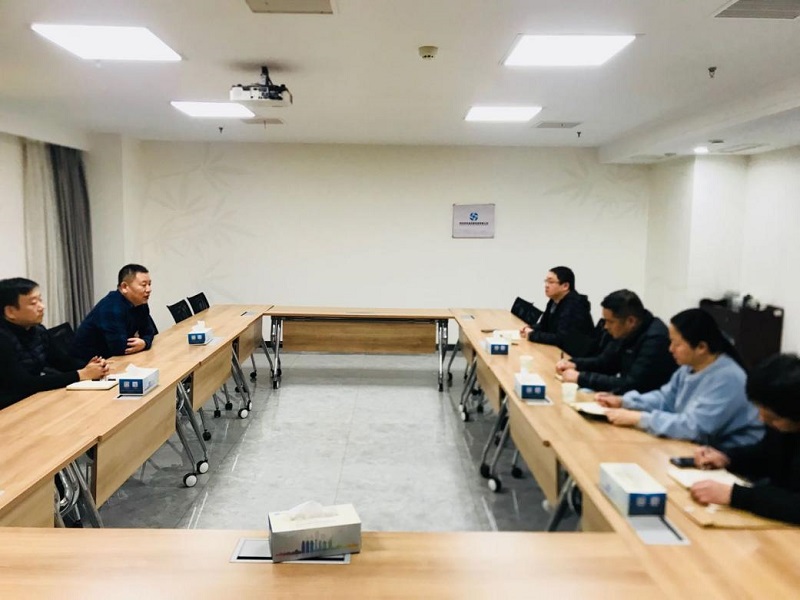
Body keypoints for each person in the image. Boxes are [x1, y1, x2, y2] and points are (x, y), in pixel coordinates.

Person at [595, 308, 764, 449]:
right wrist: (624, 402)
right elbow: (665, 399)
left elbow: (695, 427)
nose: (670, 349)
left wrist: (640, 419)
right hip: (697, 446)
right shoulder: (688, 368)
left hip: (731, 457)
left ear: (701, 347)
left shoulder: (728, 378)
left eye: (677, 344)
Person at [691, 353, 800, 525]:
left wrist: (735, 495)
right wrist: (727, 458)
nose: (761, 419)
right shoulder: (784, 426)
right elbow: (766, 455)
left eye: (773, 418)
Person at [0, 277, 108, 410]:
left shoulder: (38, 330)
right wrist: (81, 374)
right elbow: (23, 383)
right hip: (8, 408)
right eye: (33, 303)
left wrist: (91, 367)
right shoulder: (3, 339)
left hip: (31, 401)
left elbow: (62, 361)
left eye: (40, 300)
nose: (42, 307)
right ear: (10, 312)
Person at [556, 290, 676, 394]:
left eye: (610, 321)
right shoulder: (626, 331)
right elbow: (605, 363)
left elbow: (631, 385)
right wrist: (574, 364)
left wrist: (580, 377)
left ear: (630, 321)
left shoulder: (655, 339)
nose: (605, 327)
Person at [71, 264, 156, 361]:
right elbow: (120, 348)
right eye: (143, 285)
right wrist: (145, 342)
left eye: (149, 284)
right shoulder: (111, 308)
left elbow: (149, 331)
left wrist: (144, 343)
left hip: (111, 358)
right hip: (88, 363)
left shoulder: (140, 303)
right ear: (124, 287)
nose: (149, 290)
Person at [519, 266, 594, 347]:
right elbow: (544, 325)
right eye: (546, 281)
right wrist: (531, 328)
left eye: (551, 282)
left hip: (573, 352)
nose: (546, 285)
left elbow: (561, 338)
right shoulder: (554, 299)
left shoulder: (574, 306)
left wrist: (532, 335)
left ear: (565, 286)